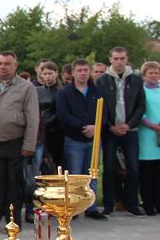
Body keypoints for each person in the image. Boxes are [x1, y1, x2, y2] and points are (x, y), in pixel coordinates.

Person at [0, 51, 39, 234]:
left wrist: (29, 145)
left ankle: (13, 222)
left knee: (14, 186)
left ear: (15, 65)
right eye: (0, 63)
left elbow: (33, 119)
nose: (3, 67)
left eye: (7, 64)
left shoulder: (26, 88)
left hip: (15, 143)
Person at [95, 47, 146, 217]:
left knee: (133, 167)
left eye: (122, 58)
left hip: (130, 130)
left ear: (127, 58)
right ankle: (109, 204)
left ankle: (132, 203)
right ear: (110, 59)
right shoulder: (102, 81)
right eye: (115, 58)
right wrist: (109, 126)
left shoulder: (136, 80)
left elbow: (141, 105)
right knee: (109, 167)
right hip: (110, 130)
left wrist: (129, 124)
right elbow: (99, 107)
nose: (119, 62)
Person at [55, 60, 104, 219]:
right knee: (75, 176)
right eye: (79, 70)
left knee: (92, 175)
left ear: (89, 72)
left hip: (94, 139)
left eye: (85, 70)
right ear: (73, 73)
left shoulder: (97, 91)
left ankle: (91, 207)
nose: (83, 73)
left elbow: (105, 112)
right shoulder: (64, 92)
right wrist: (84, 126)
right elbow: (63, 114)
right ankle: (75, 207)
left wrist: (96, 127)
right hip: (74, 138)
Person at [137, 61, 160, 216]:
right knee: (147, 172)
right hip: (146, 134)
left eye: (156, 73)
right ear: (144, 75)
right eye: (150, 73)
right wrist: (153, 126)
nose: (154, 75)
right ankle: (148, 203)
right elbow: (140, 111)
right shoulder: (141, 90)